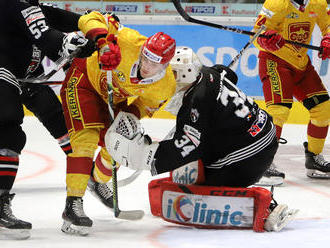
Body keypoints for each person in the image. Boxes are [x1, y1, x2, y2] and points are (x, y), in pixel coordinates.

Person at [106, 47, 298, 232]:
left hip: (250, 154)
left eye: (171, 75)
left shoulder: (196, 101)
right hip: (259, 135)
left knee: (195, 196)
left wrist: (147, 157)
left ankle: (265, 207)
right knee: (187, 166)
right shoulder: (205, 73)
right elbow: (226, 74)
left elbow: (187, 145)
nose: (167, 81)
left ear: (182, 75)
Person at [59, 11, 176, 235]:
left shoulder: (165, 87)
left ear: (166, 65)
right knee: (86, 140)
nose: (146, 65)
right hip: (84, 79)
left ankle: (96, 180)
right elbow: (88, 18)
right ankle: (73, 205)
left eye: (155, 63)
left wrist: (128, 119)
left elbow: (142, 106)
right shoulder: (129, 40)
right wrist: (103, 42)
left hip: (112, 98)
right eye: (146, 58)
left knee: (122, 144)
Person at [0, 0, 95, 239]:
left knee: (60, 122)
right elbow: (46, 36)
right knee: (8, 125)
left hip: (27, 79)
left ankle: (87, 174)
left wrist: (95, 22)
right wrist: (64, 43)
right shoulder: (16, 5)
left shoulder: (34, 6)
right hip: (6, 74)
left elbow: (61, 18)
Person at [252, 0, 330, 185]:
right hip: (274, 61)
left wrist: (328, 39)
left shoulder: (317, 2)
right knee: (279, 111)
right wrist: (266, 39)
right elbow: (256, 34)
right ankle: (262, 163)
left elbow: (327, 25)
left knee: (323, 108)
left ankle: (313, 157)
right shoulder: (276, 4)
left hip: (301, 65)